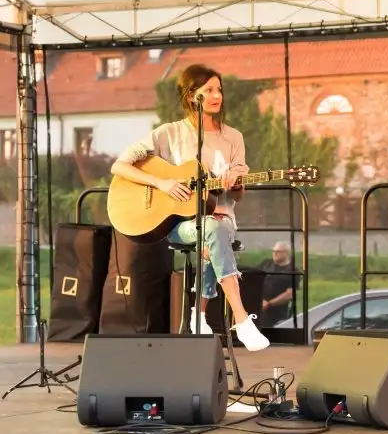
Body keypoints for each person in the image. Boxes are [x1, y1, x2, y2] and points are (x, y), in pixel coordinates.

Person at [110, 63, 270, 352]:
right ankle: (241, 318)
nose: (217, 96)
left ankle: (201, 314)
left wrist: (234, 183)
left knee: (213, 230)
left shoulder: (233, 138)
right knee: (211, 230)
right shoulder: (169, 133)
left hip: (221, 219)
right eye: (209, 90)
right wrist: (161, 183)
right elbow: (119, 166)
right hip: (177, 224)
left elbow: (239, 195)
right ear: (191, 95)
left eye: (219, 89)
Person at [258, 241, 300, 327]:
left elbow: (289, 294)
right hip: (258, 310)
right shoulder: (266, 263)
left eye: (278, 252)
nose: (274, 253)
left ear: (286, 253)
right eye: (273, 251)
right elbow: (253, 277)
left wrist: (269, 303)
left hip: (277, 315)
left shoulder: (293, 270)